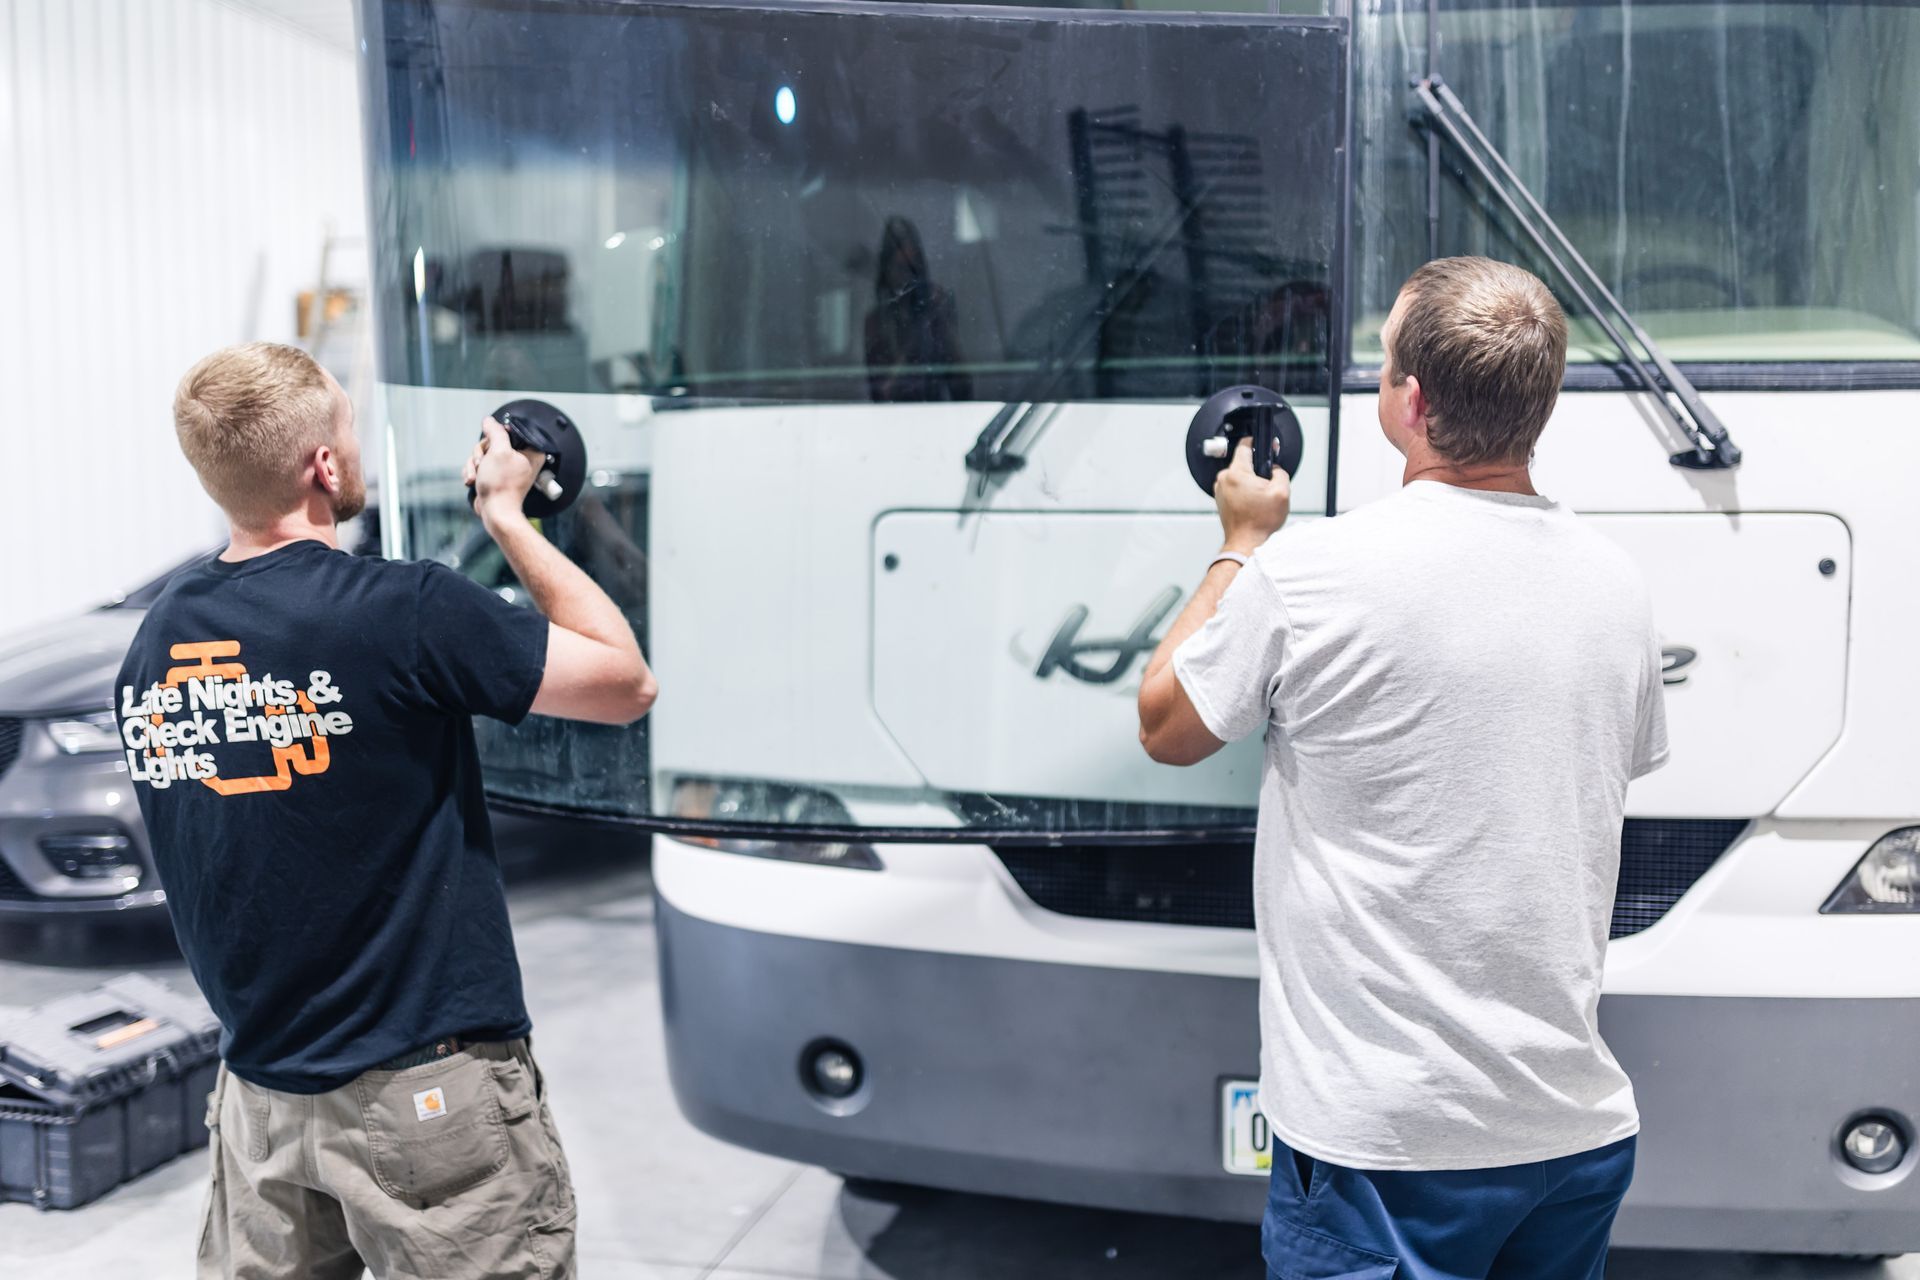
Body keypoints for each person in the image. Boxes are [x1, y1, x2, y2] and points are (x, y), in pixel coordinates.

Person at [1137, 257, 1668, 1280]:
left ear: (1410, 402)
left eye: (1382, 362)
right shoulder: (1618, 585)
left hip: (1382, 1149)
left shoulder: (1309, 573)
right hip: (1571, 1134)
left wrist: (1241, 543)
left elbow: (1166, 722)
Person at [116, 342, 656, 1279]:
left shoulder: (157, 640)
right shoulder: (399, 610)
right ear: (324, 466)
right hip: (424, 1097)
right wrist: (507, 516)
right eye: (348, 427)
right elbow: (624, 683)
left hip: (258, 1106)